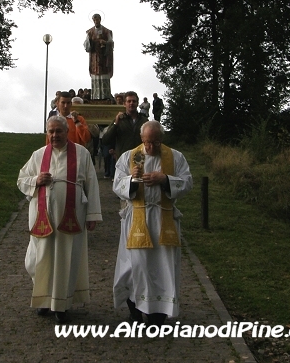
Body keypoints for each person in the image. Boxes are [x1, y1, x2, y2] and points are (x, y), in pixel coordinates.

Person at [18, 115, 102, 323]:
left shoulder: (81, 154)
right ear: (47, 133)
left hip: (71, 217)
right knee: (36, 259)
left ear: (67, 132)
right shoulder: (38, 155)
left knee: (67, 259)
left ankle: (61, 304)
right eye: (51, 131)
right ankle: (44, 299)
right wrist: (36, 180)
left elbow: (92, 184)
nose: (54, 135)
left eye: (59, 131)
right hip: (42, 217)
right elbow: (21, 179)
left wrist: (92, 215)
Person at [112, 120, 193, 326]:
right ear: (141, 139)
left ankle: (158, 314)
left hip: (163, 217)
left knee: (161, 268)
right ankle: (135, 311)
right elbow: (117, 184)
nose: (150, 148)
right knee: (133, 267)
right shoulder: (130, 157)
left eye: (155, 142)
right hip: (136, 219)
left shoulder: (175, 157)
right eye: (147, 142)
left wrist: (165, 179)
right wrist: (131, 179)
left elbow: (187, 182)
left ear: (161, 139)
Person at [101, 91, 148, 162]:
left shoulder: (144, 121)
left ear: (137, 103)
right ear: (124, 104)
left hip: (140, 159)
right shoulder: (119, 120)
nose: (131, 103)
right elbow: (105, 140)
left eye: (134, 101)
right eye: (129, 101)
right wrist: (115, 124)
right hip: (123, 159)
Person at [85, 13, 114, 100]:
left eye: (97, 19)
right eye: (94, 20)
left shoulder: (106, 31)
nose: (95, 21)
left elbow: (111, 42)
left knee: (104, 75)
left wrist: (105, 43)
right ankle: (95, 97)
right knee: (95, 75)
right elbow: (86, 45)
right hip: (94, 57)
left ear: (100, 20)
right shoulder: (90, 32)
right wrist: (89, 40)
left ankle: (106, 97)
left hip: (104, 57)